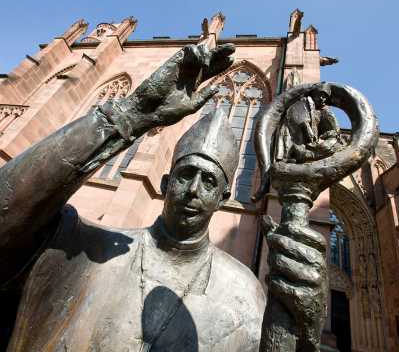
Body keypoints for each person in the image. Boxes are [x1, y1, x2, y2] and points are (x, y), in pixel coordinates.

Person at [0, 43, 266, 352]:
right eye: (185, 174)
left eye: (208, 181)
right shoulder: (82, 248)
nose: (193, 190)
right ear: (165, 184)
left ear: (223, 199)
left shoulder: (247, 295)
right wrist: (133, 114)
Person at [275, 82, 344, 163]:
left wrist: (331, 133)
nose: (322, 99)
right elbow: (296, 113)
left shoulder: (323, 110)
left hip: (310, 142)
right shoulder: (304, 101)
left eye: (324, 97)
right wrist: (306, 126)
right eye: (319, 95)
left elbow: (332, 126)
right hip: (295, 131)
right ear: (314, 94)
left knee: (333, 145)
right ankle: (290, 155)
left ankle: (304, 155)